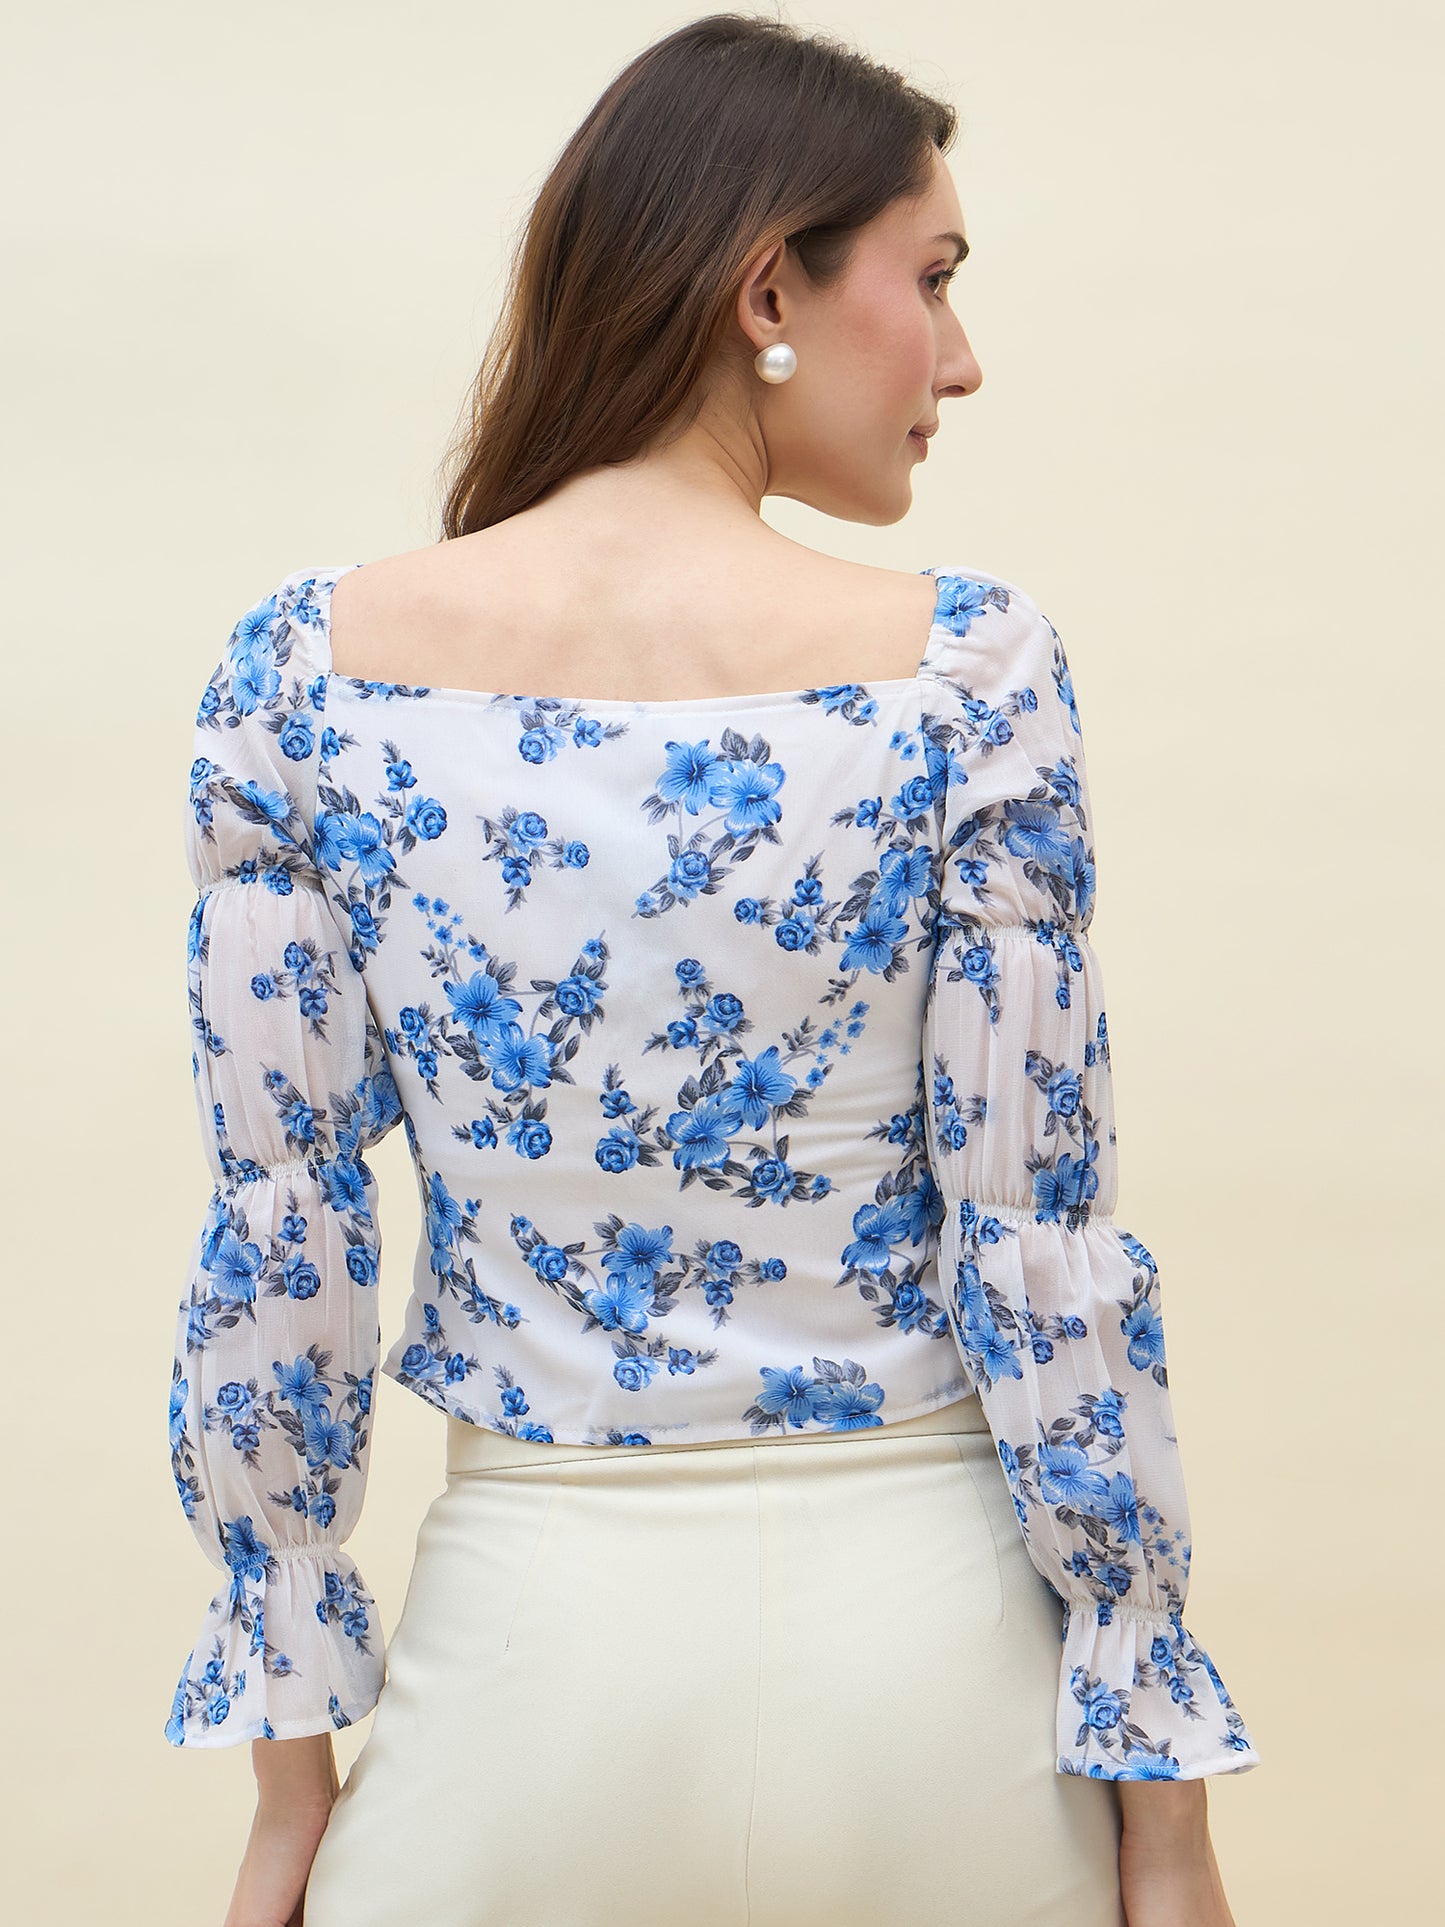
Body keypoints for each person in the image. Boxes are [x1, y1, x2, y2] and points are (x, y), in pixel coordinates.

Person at [163, 14, 1260, 1926]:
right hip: (936, 1686)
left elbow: (287, 1249)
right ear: (771, 284)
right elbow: (1043, 1254)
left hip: (520, 1687)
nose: (963, 357)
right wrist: (1163, 1826)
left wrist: (288, 1794)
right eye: (930, 281)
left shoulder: (298, 676)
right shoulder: (967, 672)